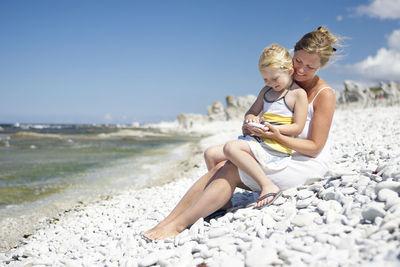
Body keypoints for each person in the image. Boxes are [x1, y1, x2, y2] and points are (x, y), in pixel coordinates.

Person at [143, 26, 339, 241]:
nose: (301, 70)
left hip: (303, 161)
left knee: (227, 168)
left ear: (322, 66)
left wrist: (275, 136)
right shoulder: (279, 85)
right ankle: (174, 218)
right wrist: (250, 125)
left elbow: (314, 148)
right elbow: (260, 111)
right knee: (215, 156)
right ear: (292, 55)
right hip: (278, 149)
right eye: (298, 61)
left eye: (310, 67)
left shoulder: (323, 94)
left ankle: (178, 226)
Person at [222, 43, 308, 209]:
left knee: (230, 148)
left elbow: (298, 127)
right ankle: (224, 200)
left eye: (274, 79)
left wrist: (273, 129)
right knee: (210, 154)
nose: (270, 83)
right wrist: (251, 120)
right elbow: (252, 111)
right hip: (260, 141)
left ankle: (267, 185)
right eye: (265, 79)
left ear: (289, 71)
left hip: (276, 146)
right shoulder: (266, 92)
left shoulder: (298, 94)